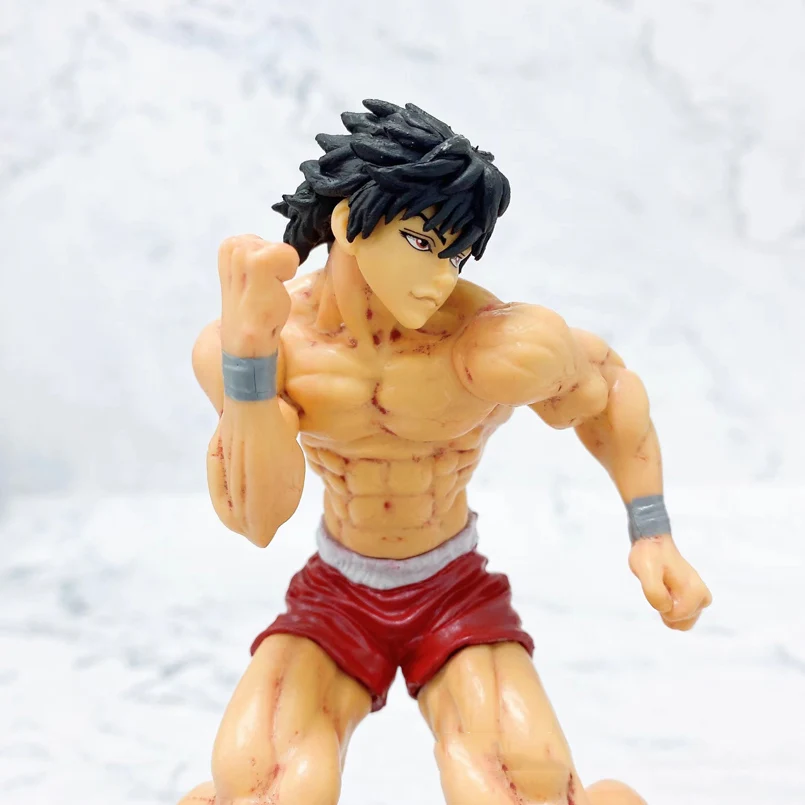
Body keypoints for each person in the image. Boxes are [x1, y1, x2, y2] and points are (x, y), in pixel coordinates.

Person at [182, 100, 711, 805]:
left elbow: (608, 387)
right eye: (422, 242)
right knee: (264, 785)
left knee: (523, 789)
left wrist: (652, 532)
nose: (441, 276)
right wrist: (248, 364)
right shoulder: (275, 349)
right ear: (347, 221)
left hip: (450, 589)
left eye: (455, 253)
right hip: (337, 592)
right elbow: (256, 520)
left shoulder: (489, 345)